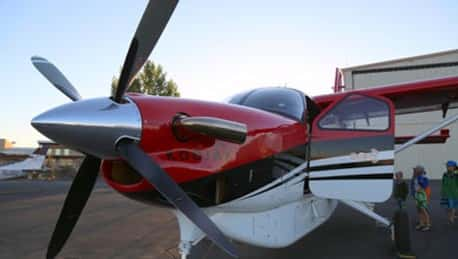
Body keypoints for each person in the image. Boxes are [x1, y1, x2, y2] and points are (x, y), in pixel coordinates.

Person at [411, 165, 431, 231]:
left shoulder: (423, 177)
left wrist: (421, 185)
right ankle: (421, 224)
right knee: (419, 210)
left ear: (419, 171)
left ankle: (427, 225)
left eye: (415, 170)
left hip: (422, 196)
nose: (414, 171)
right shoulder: (415, 177)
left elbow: (425, 185)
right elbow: (413, 186)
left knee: (423, 210)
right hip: (418, 196)